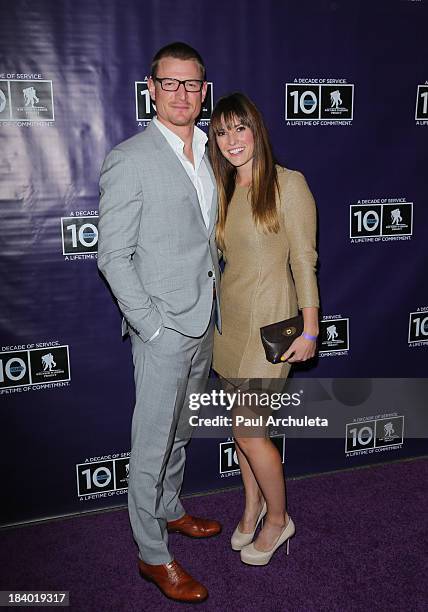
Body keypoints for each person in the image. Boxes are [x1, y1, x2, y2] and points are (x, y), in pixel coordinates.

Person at [97, 42, 221, 603]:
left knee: (179, 433)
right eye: (170, 83)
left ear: (203, 90)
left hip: (205, 319)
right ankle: (152, 555)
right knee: (150, 444)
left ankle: (170, 511)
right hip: (163, 329)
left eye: (191, 84)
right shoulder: (130, 157)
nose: (182, 94)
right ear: (151, 87)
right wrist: (150, 326)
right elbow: (111, 256)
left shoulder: (212, 148)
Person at [208, 92, 319, 566]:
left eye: (240, 128)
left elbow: (303, 260)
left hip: (269, 328)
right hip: (228, 328)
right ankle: (252, 506)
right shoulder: (223, 187)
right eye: (222, 132)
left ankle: (279, 519)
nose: (232, 140)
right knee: (242, 432)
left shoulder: (288, 184)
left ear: (257, 129)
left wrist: (311, 330)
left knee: (251, 433)